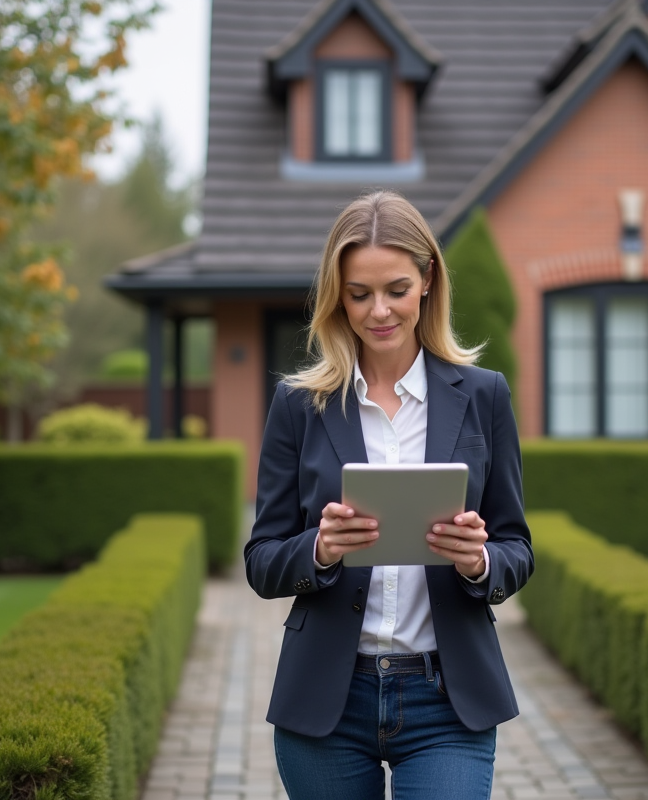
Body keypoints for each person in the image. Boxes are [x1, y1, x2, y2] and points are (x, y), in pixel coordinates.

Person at [244, 190, 533, 800]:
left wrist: (480, 561)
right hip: (327, 700)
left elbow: (517, 548)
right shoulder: (299, 405)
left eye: (396, 289)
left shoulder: (484, 396)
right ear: (337, 295)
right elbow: (262, 561)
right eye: (358, 294)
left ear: (428, 279)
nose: (379, 311)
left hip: (447, 702)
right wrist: (319, 550)